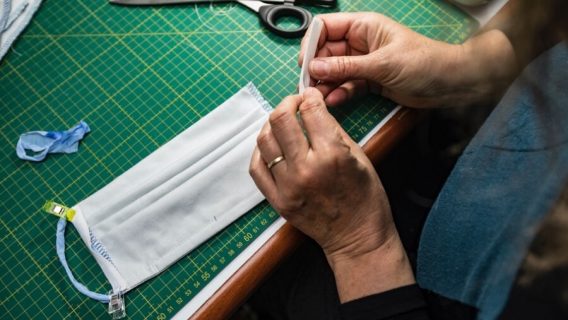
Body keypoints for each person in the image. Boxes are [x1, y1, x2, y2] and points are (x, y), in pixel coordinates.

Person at [248, 0, 568, 319]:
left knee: (274, 276)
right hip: (462, 190)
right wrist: (469, 68)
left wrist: (360, 244)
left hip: (424, 296)